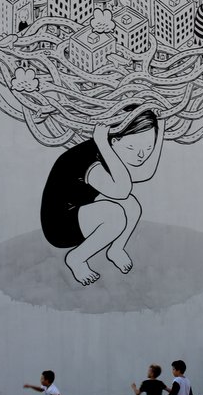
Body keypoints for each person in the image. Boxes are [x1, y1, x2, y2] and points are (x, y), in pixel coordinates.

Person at [41, 107, 165, 286]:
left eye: (148, 147)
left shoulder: (113, 151)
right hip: (60, 227)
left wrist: (161, 129)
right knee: (115, 214)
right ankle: (77, 258)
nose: (141, 155)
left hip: (83, 213)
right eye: (132, 147)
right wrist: (102, 142)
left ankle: (116, 249)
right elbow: (122, 189)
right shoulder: (89, 158)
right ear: (114, 140)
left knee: (131, 205)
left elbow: (145, 172)